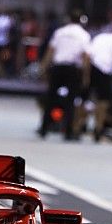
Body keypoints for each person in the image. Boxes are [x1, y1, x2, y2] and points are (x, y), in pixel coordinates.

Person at [37, 9, 91, 140]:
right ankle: (68, 131)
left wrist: (43, 68)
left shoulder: (60, 32)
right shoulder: (84, 35)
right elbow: (85, 56)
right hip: (73, 69)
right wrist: (86, 75)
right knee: (70, 101)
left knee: (51, 98)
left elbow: (51, 51)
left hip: (58, 67)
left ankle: (44, 128)